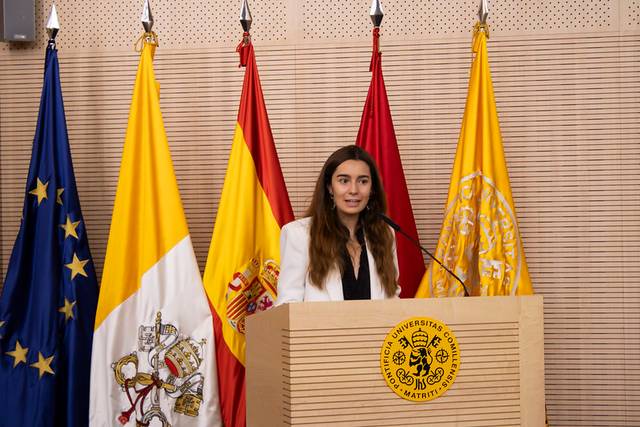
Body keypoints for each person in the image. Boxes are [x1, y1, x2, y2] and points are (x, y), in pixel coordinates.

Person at [276, 145, 400, 304]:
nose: (354, 190)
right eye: (344, 180)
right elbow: (288, 304)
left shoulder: (385, 233)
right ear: (329, 187)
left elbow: (392, 297)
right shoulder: (299, 234)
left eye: (363, 181)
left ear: (372, 189)